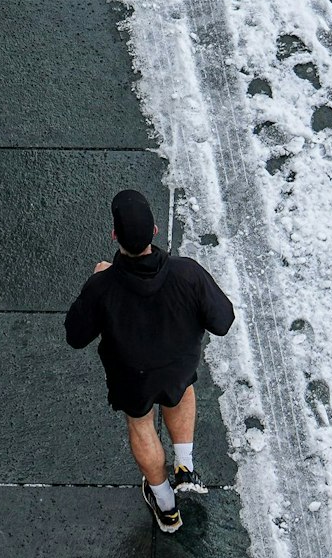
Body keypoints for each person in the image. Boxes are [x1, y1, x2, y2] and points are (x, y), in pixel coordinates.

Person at [64, 189, 235, 533]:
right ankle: (184, 466)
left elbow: (75, 336)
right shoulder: (188, 274)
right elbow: (223, 321)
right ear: (155, 231)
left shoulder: (103, 286)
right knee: (181, 391)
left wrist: (96, 281)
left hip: (133, 377)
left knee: (142, 424)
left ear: (115, 236)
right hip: (178, 366)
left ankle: (166, 506)